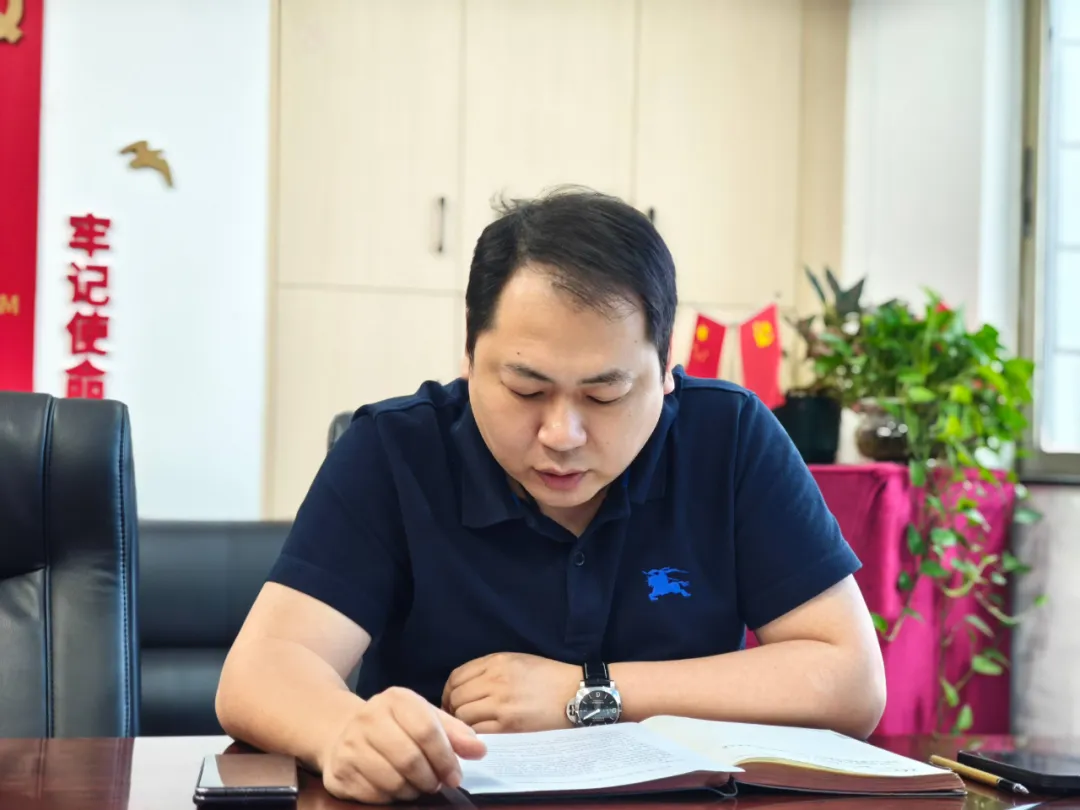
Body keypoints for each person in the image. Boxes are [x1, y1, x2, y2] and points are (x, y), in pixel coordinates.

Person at [216, 188, 886, 804]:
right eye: (526, 390)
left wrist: (590, 690)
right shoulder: (394, 451)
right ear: (468, 356)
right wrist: (343, 731)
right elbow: (263, 670)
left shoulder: (730, 439)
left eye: (605, 394)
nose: (562, 435)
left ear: (666, 372)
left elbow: (850, 679)